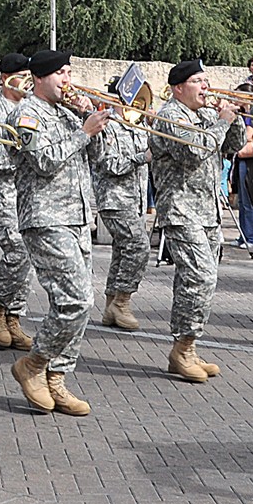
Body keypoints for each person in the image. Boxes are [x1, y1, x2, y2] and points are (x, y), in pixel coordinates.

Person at [8, 49, 112, 414]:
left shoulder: (68, 113)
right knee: (76, 300)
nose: (67, 80)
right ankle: (33, 365)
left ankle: (57, 378)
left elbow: (100, 160)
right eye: (60, 74)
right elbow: (43, 161)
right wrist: (83, 132)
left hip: (78, 217)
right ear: (39, 78)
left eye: (69, 72)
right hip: (45, 217)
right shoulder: (25, 114)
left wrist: (91, 122)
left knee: (77, 304)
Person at [149, 61, 243, 380]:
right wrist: (222, 122)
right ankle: (183, 348)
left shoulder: (205, 114)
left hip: (207, 209)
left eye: (206, 80)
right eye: (198, 81)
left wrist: (236, 118)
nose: (206, 87)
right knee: (200, 276)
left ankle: (187, 346)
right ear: (178, 88)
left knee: (200, 280)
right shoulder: (170, 115)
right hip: (180, 208)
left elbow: (234, 146)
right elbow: (193, 152)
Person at [0, 53, 38, 350]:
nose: (26, 81)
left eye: (29, 75)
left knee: (28, 255)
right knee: (18, 251)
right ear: (5, 78)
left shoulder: (31, 108)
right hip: (1, 194)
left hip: (27, 195)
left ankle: (14, 317)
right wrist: (24, 155)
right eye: (21, 75)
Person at [91, 77, 152, 332]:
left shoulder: (138, 125)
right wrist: (143, 157)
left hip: (135, 200)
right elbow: (110, 164)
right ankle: (122, 302)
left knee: (123, 250)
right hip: (114, 199)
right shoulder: (108, 127)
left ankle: (110, 306)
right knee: (139, 247)